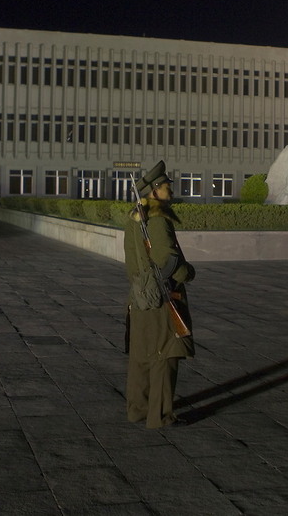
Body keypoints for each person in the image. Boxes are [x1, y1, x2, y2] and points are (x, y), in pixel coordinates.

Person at [123, 160, 195, 428]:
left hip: (140, 297)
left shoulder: (134, 219)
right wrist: (188, 273)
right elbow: (168, 261)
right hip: (162, 300)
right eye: (166, 187)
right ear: (154, 191)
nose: (170, 191)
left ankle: (137, 411)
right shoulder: (157, 222)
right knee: (165, 356)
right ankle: (161, 416)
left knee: (141, 357)